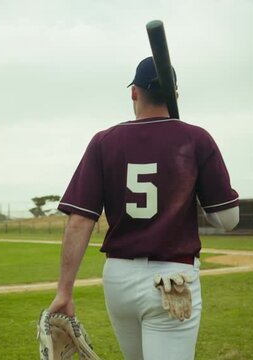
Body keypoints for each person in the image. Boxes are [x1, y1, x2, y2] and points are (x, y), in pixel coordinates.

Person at [48, 56, 239, 360]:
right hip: (173, 279)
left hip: (118, 279)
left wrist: (64, 291)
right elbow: (227, 220)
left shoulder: (104, 141)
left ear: (134, 92)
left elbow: (80, 220)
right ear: (175, 95)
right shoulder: (196, 138)